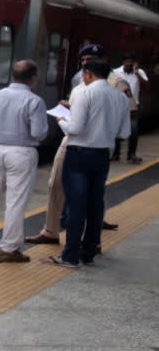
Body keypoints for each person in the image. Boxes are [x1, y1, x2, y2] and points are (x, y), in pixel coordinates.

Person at [43, 58, 131, 268]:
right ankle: (89, 251)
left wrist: (61, 120)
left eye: (84, 74)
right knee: (95, 204)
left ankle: (70, 256)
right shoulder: (120, 97)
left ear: (89, 74)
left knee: (75, 205)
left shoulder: (85, 92)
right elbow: (124, 132)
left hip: (79, 154)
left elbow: (75, 129)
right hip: (102, 156)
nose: (83, 78)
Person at [25, 46, 117, 245]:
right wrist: (70, 108)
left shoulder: (115, 84)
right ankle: (51, 231)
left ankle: (87, 242)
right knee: (55, 184)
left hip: (93, 143)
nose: (84, 64)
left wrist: (61, 120)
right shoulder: (79, 85)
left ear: (102, 61)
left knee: (87, 194)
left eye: (90, 59)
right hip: (72, 140)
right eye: (83, 60)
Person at [0, 60, 47, 263]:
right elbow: (38, 133)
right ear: (33, 78)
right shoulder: (35, 101)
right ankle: (8, 248)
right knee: (15, 201)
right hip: (22, 153)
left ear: (13, 75)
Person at [110, 51, 148, 163]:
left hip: (133, 106)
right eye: (127, 61)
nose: (129, 63)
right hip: (118, 105)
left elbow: (147, 86)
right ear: (123, 62)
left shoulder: (139, 72)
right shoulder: (115, 72)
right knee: (116, 130)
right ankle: (116, 153)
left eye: (131, 61)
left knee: (134, 130)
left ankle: (131, 154)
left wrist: (138, 75)